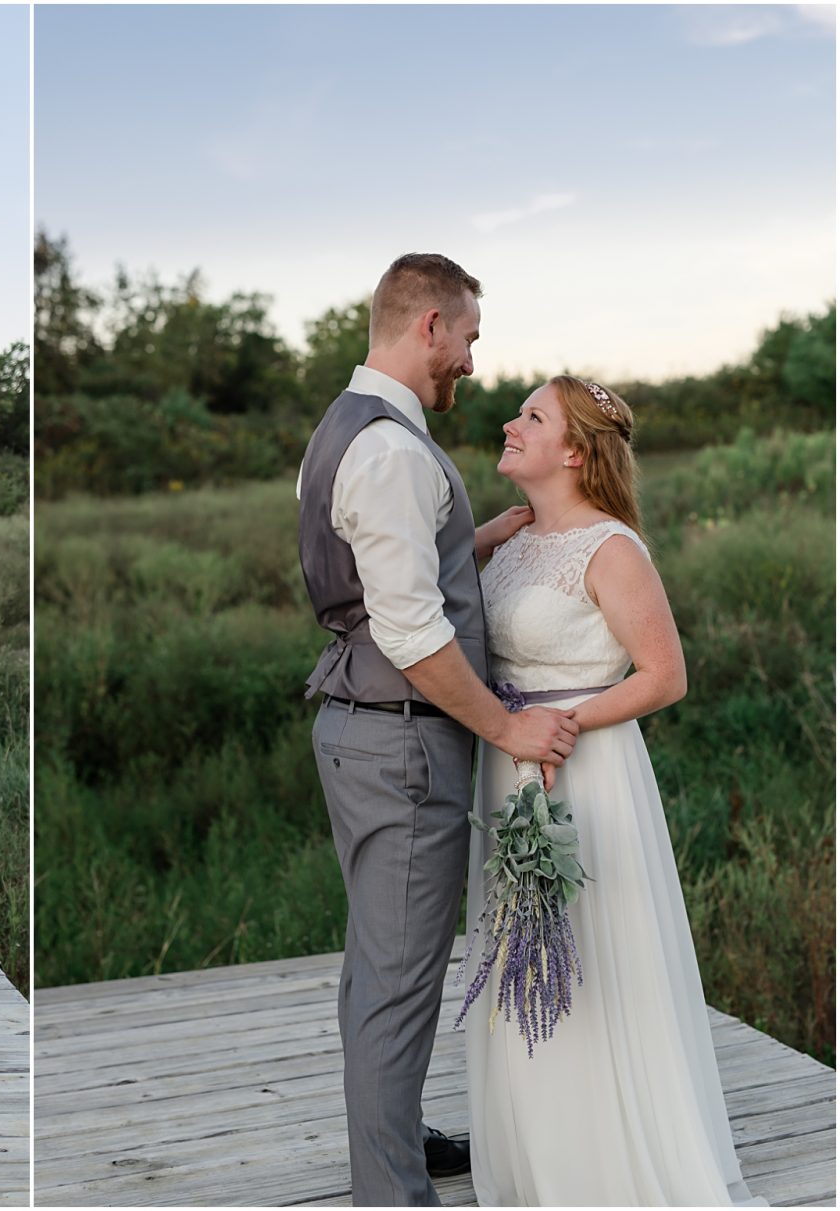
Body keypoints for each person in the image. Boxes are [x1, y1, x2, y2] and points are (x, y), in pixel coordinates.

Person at [295, 253, 579, 1206]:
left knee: (382, 957)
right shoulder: (389, 450)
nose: (469, 359)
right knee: (401, 977)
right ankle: (392, 1192)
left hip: (364, 726)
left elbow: (382, 581)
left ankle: (398, 1132)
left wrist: (474, 538)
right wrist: (507, 727)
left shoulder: (352, 429)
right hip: (404, 742)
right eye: (468, 338)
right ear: (429, 327)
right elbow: (414, 635)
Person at [464, 376, 763, 1206]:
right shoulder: (513, 541)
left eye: (531, 416)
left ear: (572, 450)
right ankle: (542, 1163)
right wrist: (481, 540)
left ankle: (607, 1170)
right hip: (507, 770)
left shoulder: (612, 547)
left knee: (594, 963)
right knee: (523, 961)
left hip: (582, 772)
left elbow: (666, 676)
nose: (508, 423)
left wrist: (567, 724)